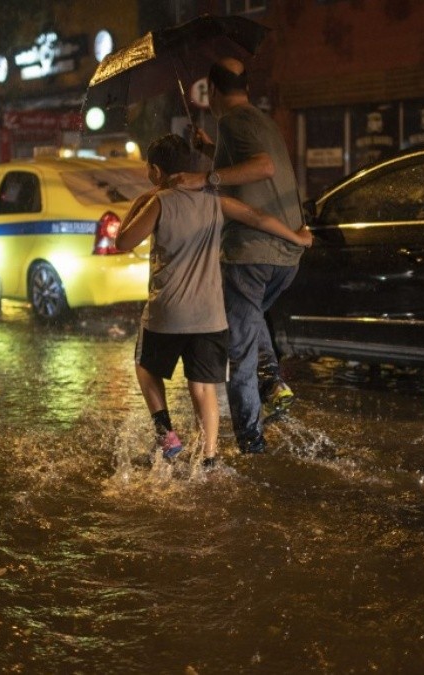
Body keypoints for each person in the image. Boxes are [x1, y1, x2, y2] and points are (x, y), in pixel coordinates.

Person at [116, 134, 311, 467]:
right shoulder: (214, 200)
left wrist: (146, 198)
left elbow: (123, 241)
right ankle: (208, 460)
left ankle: (166, 434)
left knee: (145, 365)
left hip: (168, 313)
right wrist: (297, 237)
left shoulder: (158, 202)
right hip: (211, 318)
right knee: (204, 387)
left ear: (156, 171)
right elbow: (256, 217)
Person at [173, 56, 307, 455]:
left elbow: (262, 167)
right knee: (248, 320)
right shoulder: (263, 121)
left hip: (252, 252)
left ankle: (252, 444)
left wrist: (206, 177)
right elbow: (255, 162)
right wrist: (211, 150)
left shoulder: (231, 121)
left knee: (238, 350)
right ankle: (273, 383)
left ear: (212, 90)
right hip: (286, 255)